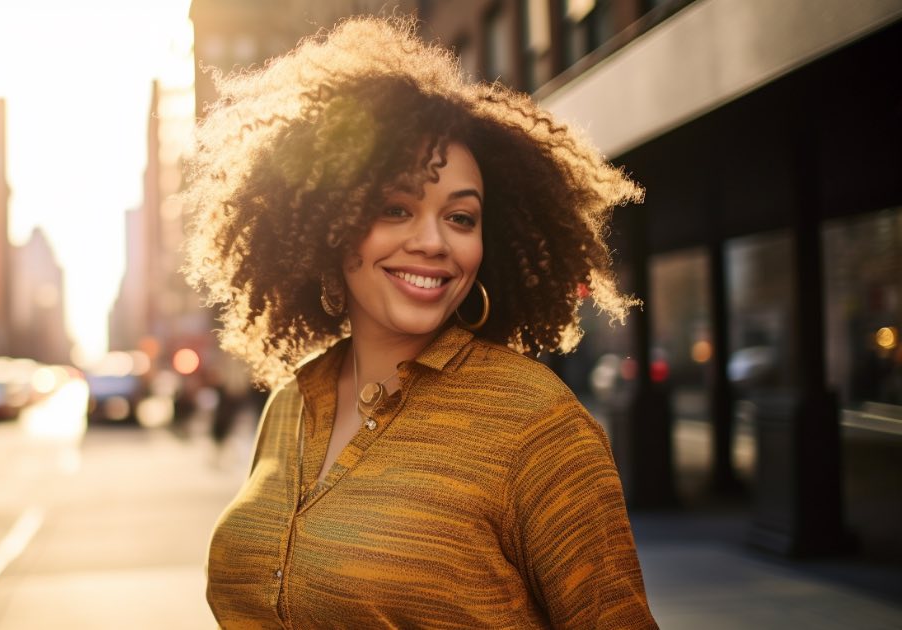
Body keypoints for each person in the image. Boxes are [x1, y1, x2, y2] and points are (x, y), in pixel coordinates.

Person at [181, 15, 658, 629]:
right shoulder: (290, 405)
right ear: (328, 222)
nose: (433, 242)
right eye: (396, 208)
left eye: (461, 218)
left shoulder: (534, 425)